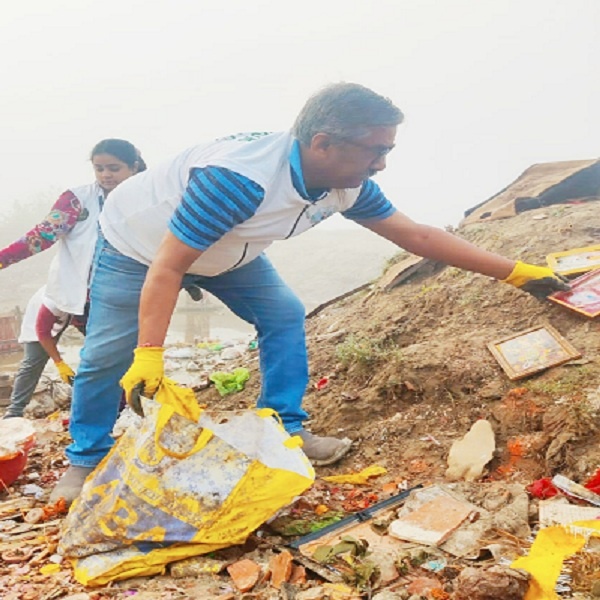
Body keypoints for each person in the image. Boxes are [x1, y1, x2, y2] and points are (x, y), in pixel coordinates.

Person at [50, 83, 569, 504]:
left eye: (387, 149)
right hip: (139, 248)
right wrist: (149, 353)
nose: (383, 163)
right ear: (323, 143)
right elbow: (168, 266)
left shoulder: (348, 183)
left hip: (233, 250)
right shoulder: (238, 179)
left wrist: (516, 272)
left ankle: (284, 429)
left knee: (284, 314)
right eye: (377, 150)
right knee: (103, 357)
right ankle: (85, 458)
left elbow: (417, 236)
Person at [0, 139, 146, 415]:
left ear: (133, 167)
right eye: (99, 168)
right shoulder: (77, 200)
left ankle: (123, 413)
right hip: (86, 299)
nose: (105, 175)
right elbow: (41, 235)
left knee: (128, 359)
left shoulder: (147, 196)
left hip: (130, 293)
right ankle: (98, 423)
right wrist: (2, 259)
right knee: (99, 360)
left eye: (114, 168)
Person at [2, 286, 86, 419]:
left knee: (96, 351)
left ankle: (85, 400)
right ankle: (15, 410)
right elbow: (42, 333)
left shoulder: (83, 290)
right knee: (33, 362)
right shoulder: (50, 303)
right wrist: (59, 363)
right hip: (40, 323)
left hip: (70, 309)